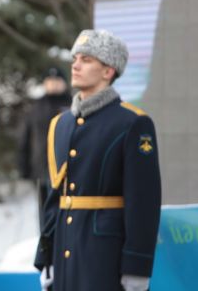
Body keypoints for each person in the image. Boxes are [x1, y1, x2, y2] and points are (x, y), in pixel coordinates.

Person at [34, 29, 161, 291]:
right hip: (65, 252)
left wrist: (137, 267)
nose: (76, 65)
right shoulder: (60, 124)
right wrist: (45, 256)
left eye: (87, 60)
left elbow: (143, 202)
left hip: (106, 256)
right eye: (75, 59)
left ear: (108, 71)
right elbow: (52, 197)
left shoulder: (133, 123)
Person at [17, 66, 71, 224]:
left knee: (65, 215)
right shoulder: (36, 107)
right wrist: (23, 168)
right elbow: (25, 138)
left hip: (68, 170)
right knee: (45, 214)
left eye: (57, 81)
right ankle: (45, 246)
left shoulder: (73, 104)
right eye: (50, 81)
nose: (53, 84)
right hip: (42, 170)